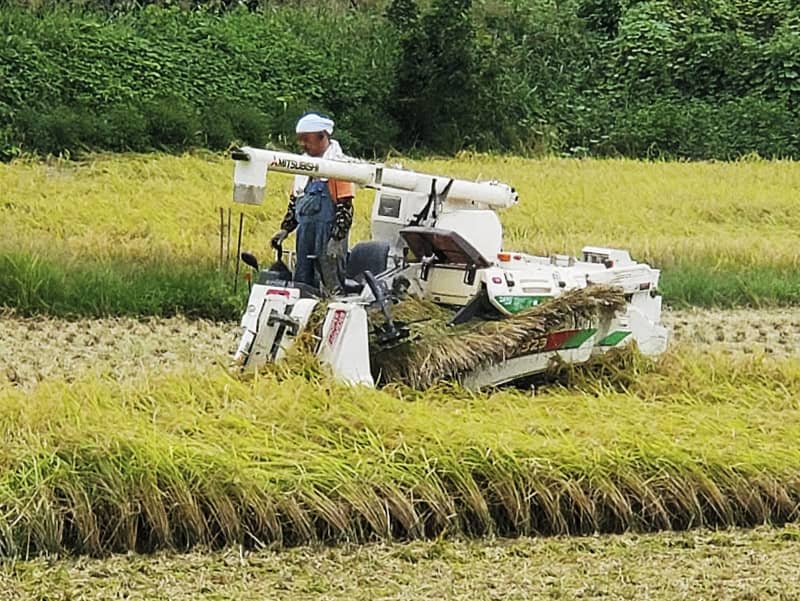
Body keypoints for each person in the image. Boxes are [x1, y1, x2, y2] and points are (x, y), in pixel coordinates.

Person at [270, 113, 354, 293]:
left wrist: (337, 240)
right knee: (303, 280)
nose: (302, 144)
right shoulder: (302, 167)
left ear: (322, 136)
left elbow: (345, 206)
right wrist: (285, 228)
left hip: (327, 236)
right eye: (300, 140)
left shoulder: (338, 167)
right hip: (305, 234)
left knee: (330, 283)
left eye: (306, 139)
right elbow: (295, 203)